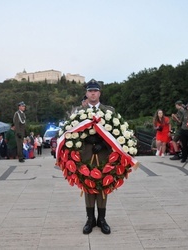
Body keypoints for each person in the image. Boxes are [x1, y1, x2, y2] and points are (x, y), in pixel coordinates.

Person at [79, 79, 114, 235]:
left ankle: (102, 219)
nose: (92, 93)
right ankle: (90, 219)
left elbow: (115, 133)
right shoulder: (79, 112)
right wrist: (86, 138)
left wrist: (103, 144)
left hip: (103, 153)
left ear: (99, 93)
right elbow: (72, 133)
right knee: (88, 185)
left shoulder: (109, 111)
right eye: (90, 91)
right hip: (86, 153)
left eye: (95, 91)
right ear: (86, 93)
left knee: (103, 186)